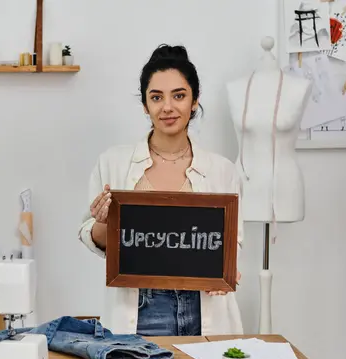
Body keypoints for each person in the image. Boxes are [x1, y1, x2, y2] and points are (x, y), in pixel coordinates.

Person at [77, 44, 244, 336]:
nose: (167, 107)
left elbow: (232, 244)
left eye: (179, 95)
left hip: (203, 308)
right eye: (156, 97)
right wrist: (103, 222)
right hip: (141, 309)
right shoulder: (113, 163)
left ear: (194, 101)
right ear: (145, 105)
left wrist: (227, 271)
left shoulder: (222, 170)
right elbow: (94, 239)